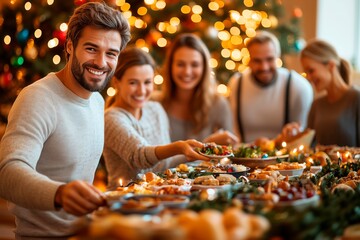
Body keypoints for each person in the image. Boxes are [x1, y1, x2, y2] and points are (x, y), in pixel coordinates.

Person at [0, 2, 130, 239]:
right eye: (91, 49)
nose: (101, 62)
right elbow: (7, 172)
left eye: (111, 53)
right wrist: (59, 194)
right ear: (70, 46)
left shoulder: (97, 101)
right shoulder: (37, 98)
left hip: (86, 232)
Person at [103, 47, 209, 189]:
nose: (141, 90)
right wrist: (178, 147)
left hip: (161, 196)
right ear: (116, 82)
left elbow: (164, 164)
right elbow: (140, 157)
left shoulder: (156, 109)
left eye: (147, 82)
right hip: (125, 202)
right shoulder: (111, 119)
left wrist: (201, 148)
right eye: (133, 83)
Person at [228, 30, 314, 143]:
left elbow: (303, 136)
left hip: (285, 158)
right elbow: (233, 130)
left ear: (278, 57)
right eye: (257, 61)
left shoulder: (298, 86)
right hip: (244, 157)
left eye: (269, 59)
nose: (264, 67)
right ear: (248, 60)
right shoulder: (236, 83)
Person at [157, 33, 239, 146]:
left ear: (204, 68)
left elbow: (232, 149)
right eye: (180, 64)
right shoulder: (155, 104)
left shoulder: (218, 104)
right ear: (170, 67)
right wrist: (206, 144)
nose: (187, 72)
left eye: (195, 65)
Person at [283, 39, 360, 147]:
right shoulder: (317, 104)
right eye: (306, 73)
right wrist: (294, 136)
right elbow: (309, 148)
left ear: (330, 65)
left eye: (311, 71)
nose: (308, 78)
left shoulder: (356, 99)